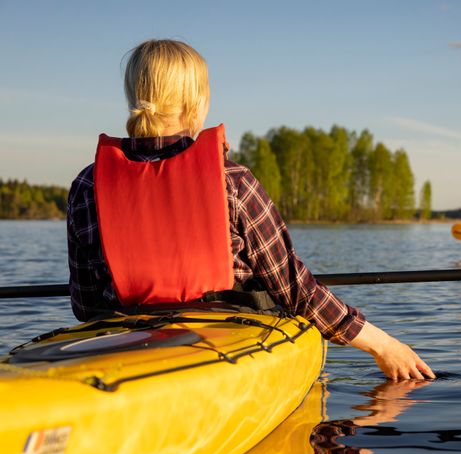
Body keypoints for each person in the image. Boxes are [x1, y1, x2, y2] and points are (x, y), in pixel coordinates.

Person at [66, 39, 434, 381]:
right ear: (197, 103)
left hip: (128, 346)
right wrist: (384, 346)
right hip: (228, 342)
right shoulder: (232, 181)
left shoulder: (87, 185)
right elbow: (295, 289)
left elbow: (86, 306)